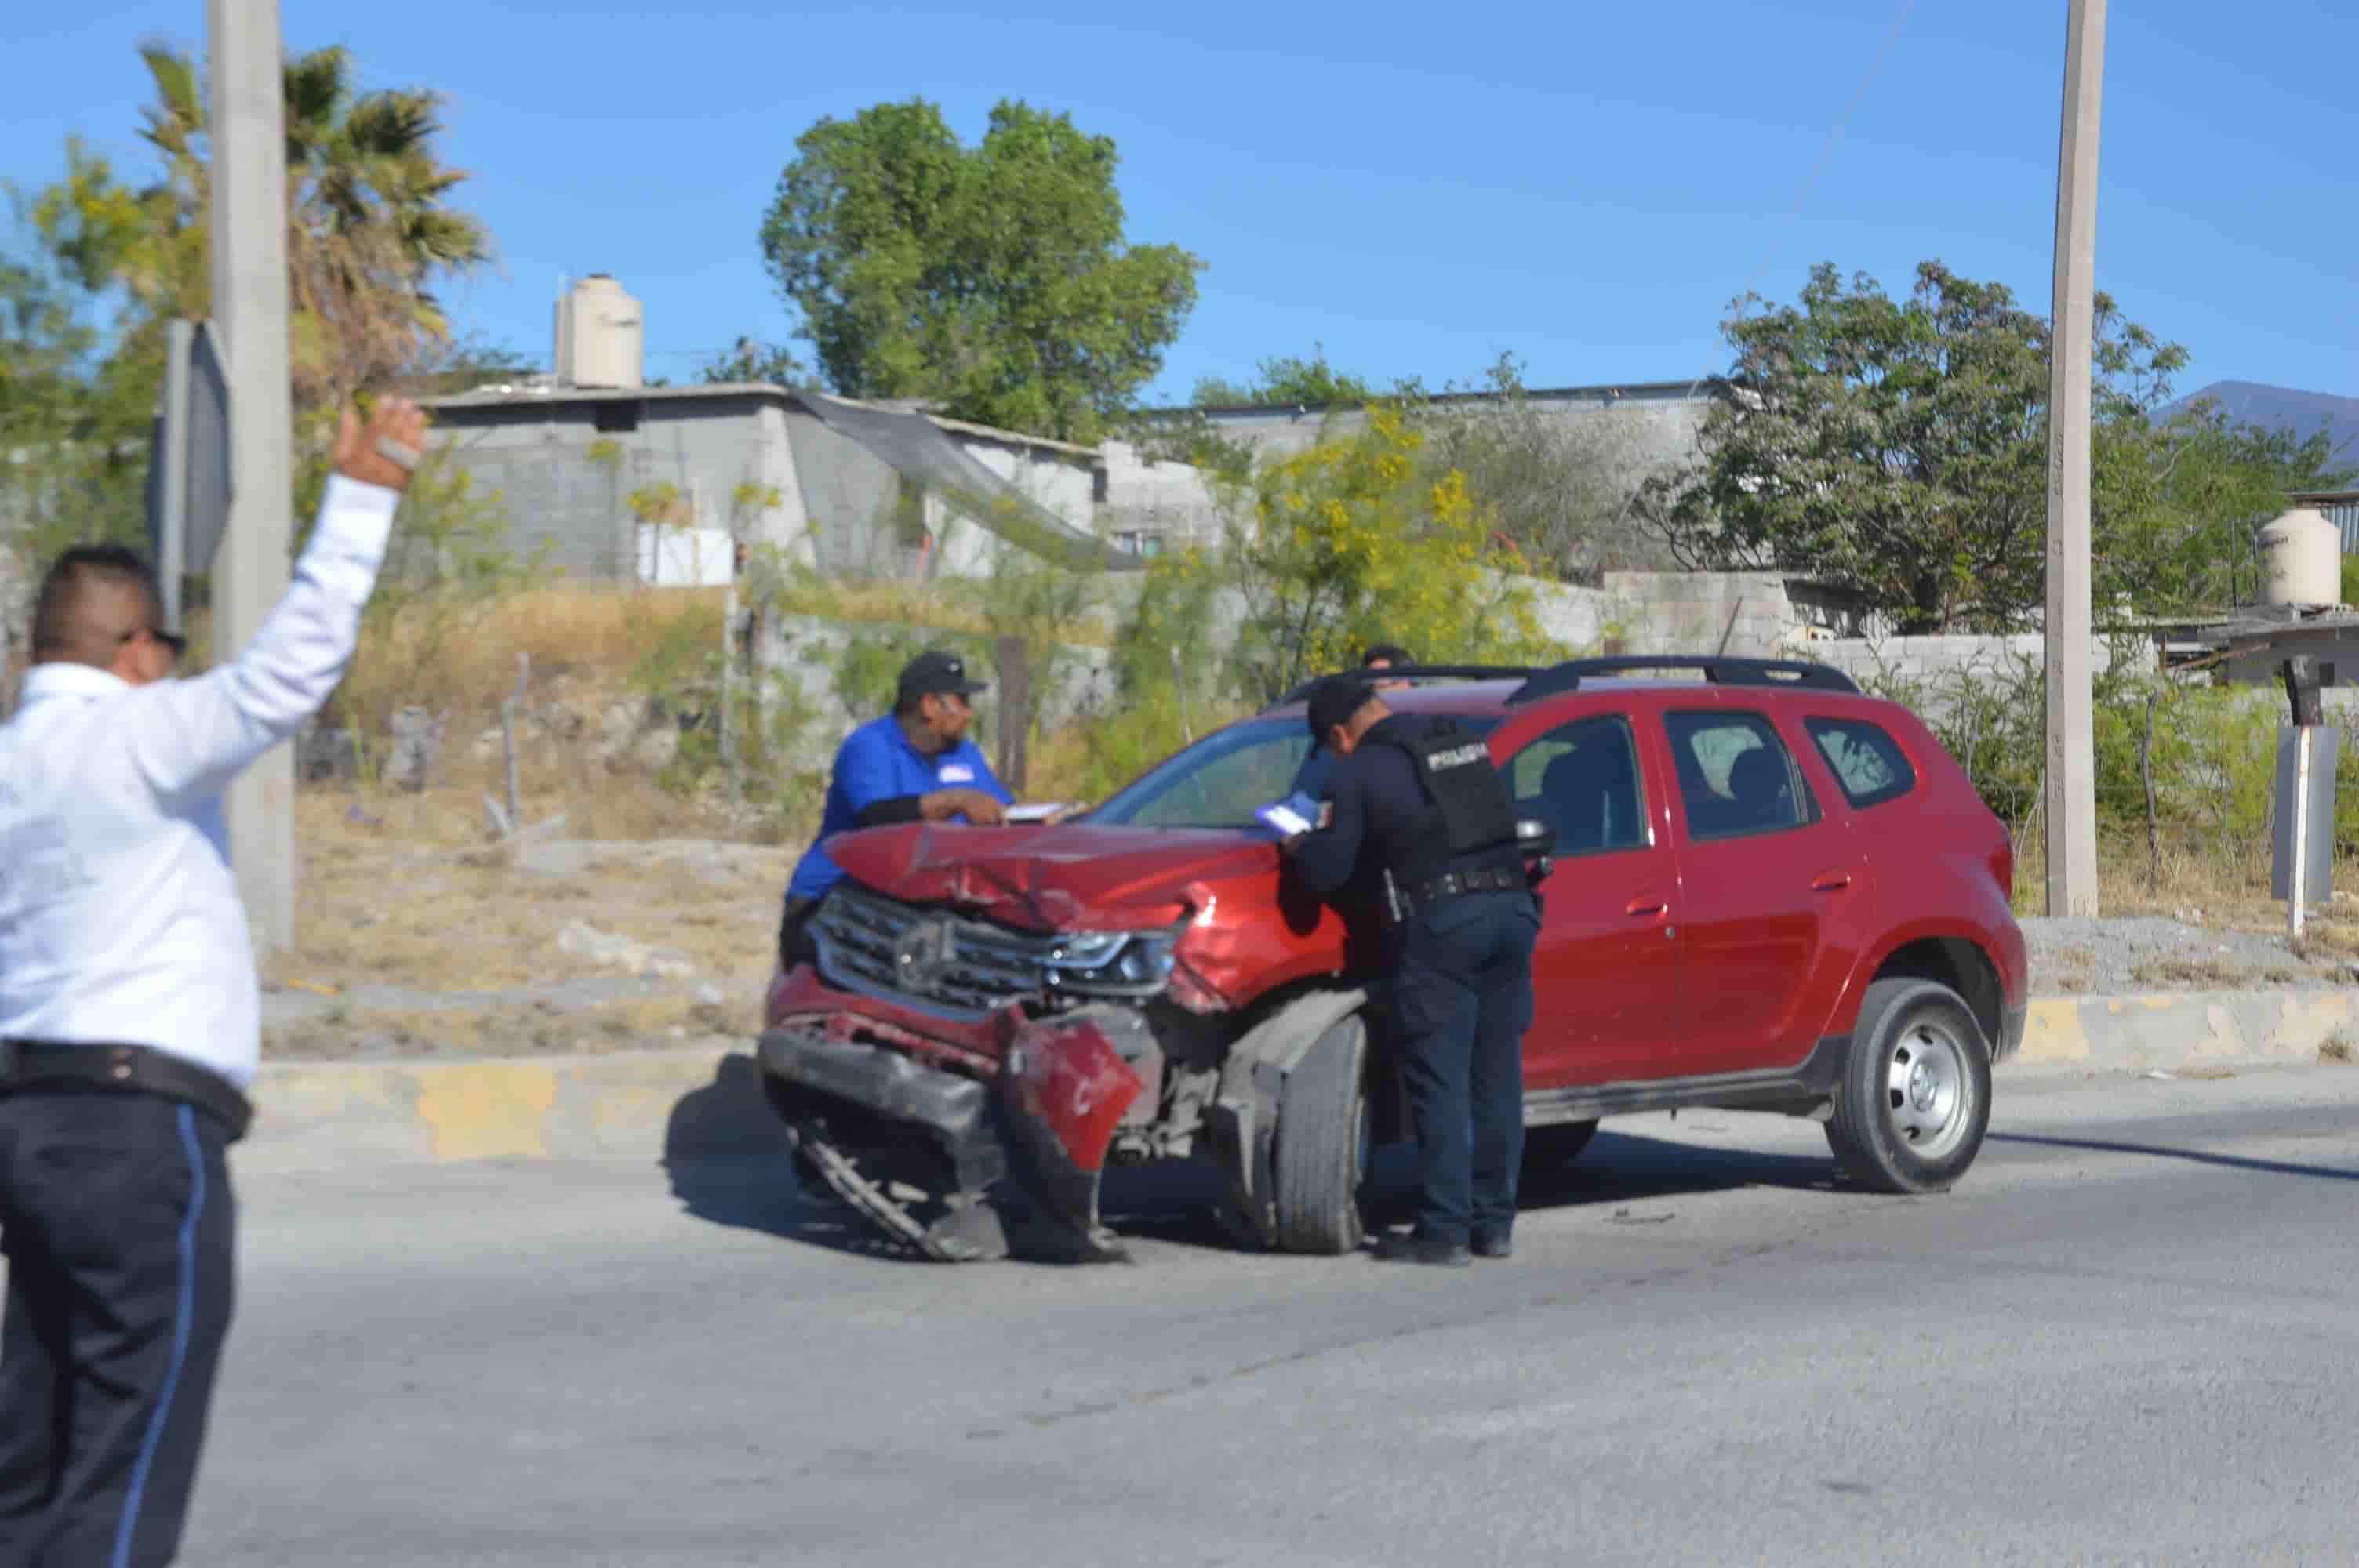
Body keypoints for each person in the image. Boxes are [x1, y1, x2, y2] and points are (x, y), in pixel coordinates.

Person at [0, 397, 427, 1565]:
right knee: (126, 1459)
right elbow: (287, 675)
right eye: (166, 653)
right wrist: (361, 500)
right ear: (136, 650)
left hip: (24, 1129)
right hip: (138, 1137)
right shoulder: (137, 736)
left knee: (30, 1453)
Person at [1281, 676, 1541, 1266]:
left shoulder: (1359, 770)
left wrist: (1299, 845)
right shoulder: (1458, 744)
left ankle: (1445, 1230)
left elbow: (1331, 872)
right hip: (1513, 914)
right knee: (1496, 1077)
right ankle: (1493, 1225)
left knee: (1440, 1078)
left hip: (1445, 925)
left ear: (1341, 735)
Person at [777, 649, 1015, 967]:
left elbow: (998, 811)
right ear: (930, 705)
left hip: (919, 908)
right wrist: (956, 800)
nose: (969, 713)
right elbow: (877, 818)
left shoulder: (964, 753)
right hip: (832, 902)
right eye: (961, 702)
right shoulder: (869, 746)